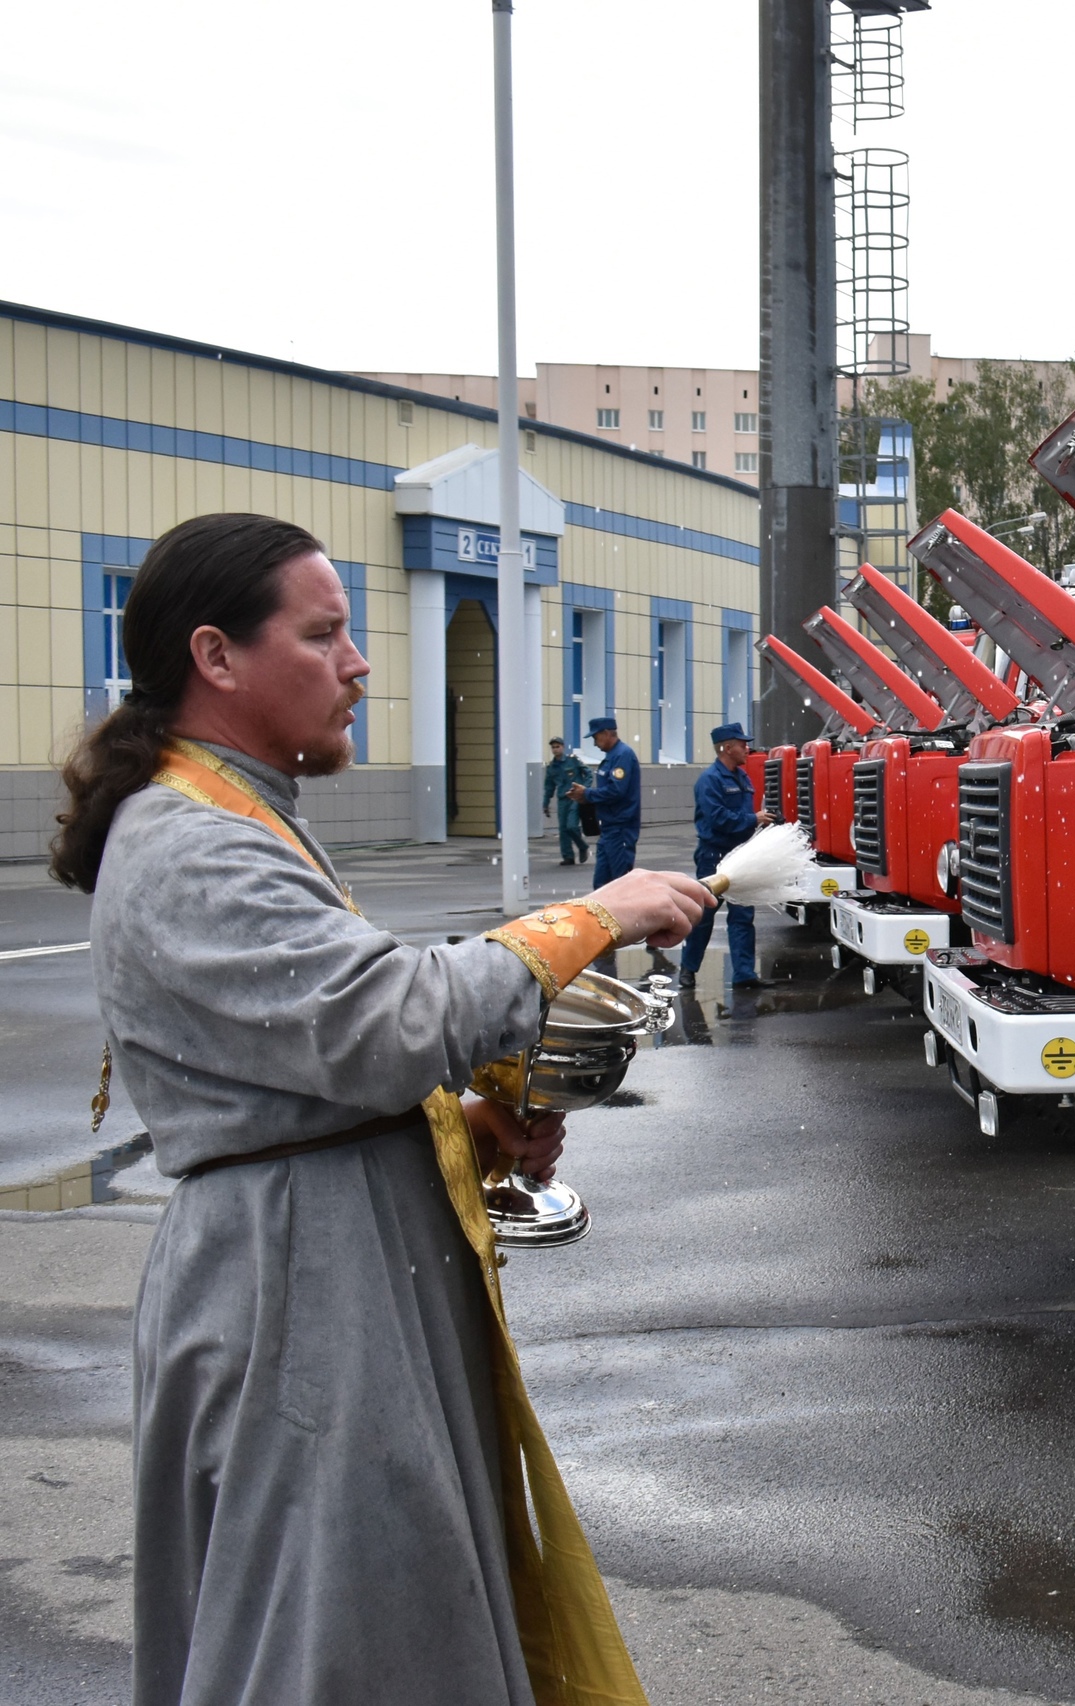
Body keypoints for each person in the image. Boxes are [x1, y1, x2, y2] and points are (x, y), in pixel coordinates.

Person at [53, 512, 710, 1706]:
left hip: (320, 1266)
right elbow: (383, 1021)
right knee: (333, 1640)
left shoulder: (231, 808)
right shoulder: (190, 841)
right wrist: (593, 916)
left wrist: (457, 1125)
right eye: (324, 633)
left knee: (378, 1613)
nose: (358, 662)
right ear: (217, 656)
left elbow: (297, 1071)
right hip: (295, 1296)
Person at [679, 722, 774, 989]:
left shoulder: (741, 777)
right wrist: (751, 819)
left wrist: (763, 822)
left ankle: (744, 975)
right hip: (714, 857)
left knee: (743, 915)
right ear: (727, 748)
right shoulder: (710, 780)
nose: (747, 748)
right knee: (704, 915)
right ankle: (688, 969)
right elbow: (718, 818)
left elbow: (743, 818)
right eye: (742, 744)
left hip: (740, 855)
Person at [570, 715, 640, 886]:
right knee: (602, 888)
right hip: (609, 829)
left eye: (596, 737)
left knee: (620, 886)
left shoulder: (622, 756)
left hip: (620, 828)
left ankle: (624, 914)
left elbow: (617, 791)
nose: (594, 743)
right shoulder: (612, 757)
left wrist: (587, 794)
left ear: (608, 733)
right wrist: (585, 797)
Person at [541, 735, 589, 866]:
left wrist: (585, 789)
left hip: (575, 797)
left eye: (558, 746)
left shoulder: (572, 761)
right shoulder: (552, 767)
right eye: (553, 747)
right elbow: (549, 787)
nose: (555, 749)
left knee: (572, 826)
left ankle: (582, 846)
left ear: (563, 747)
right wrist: (545, 804)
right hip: (563, 799)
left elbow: (588, 773)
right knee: (563, 829)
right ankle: (568, 856)